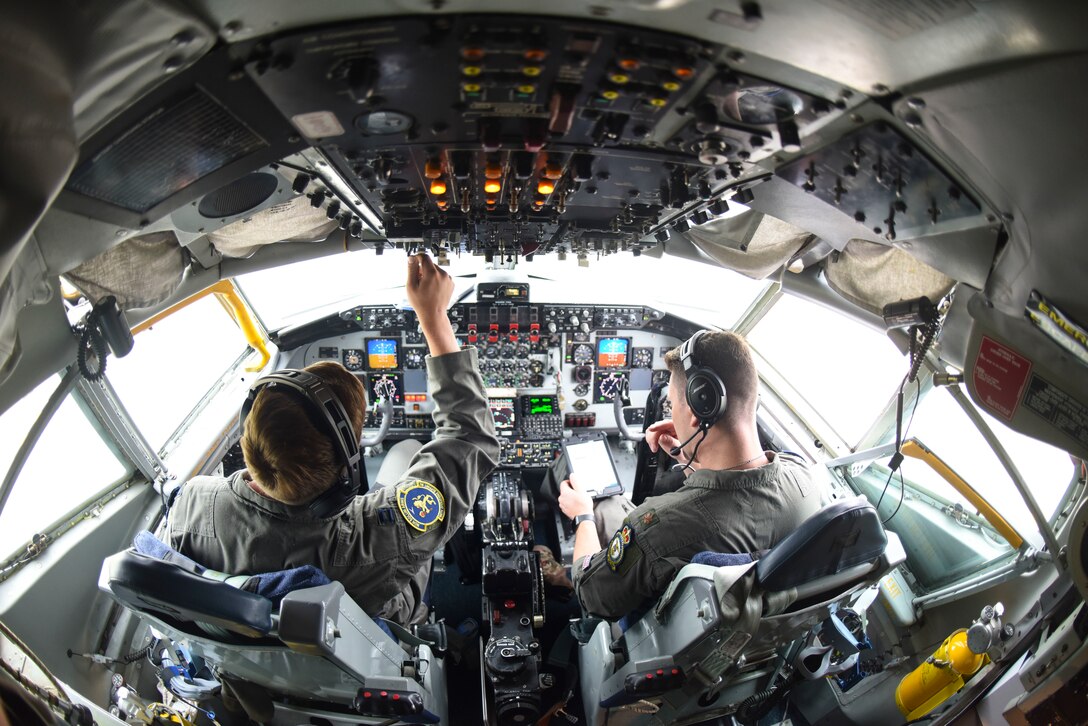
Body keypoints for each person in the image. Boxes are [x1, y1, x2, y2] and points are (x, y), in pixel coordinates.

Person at [167, 254, 499, 626]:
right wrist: (434, 319)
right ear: (347, 466)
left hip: (270, 652)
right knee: (409, 467)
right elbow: (470, 437)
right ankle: (424, 619)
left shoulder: (192, 502)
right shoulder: (373, 536)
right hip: (378, 618)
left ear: (251, 428)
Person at [558, 330, 822, 619]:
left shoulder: (659, 527)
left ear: (700, 411)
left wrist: (582, 514)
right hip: (755, 633)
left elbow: (591, 595)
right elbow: (739, 493)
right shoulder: (803, 477)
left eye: (672, 404)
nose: (670, 413)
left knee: (599, 506)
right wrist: (688, 452)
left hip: (648, 636)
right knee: (612, 505)